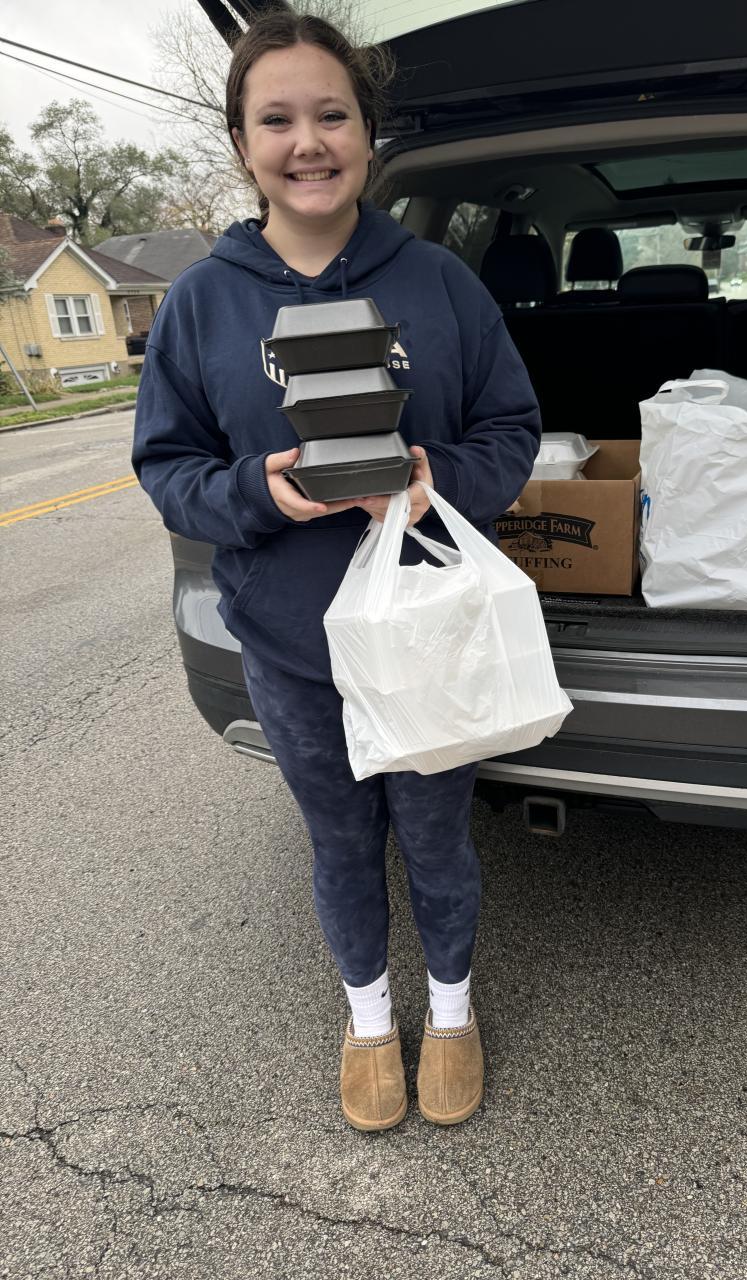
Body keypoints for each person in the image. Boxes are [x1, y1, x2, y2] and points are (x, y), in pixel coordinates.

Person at [132, 10, 540, 1132]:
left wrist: (436, 477)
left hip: (425, 635)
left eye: (332, 115)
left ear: (367, 131)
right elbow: (167, 469)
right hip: (291, 641)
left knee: (437, 837)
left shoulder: (439, 283)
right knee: (340, 841)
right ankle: (367, 1018)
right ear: (241, 143)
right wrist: (258, 493)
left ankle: (449, 1010)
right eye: (277, 120)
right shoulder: (202, 302)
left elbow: (512, 430)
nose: (307, 142)